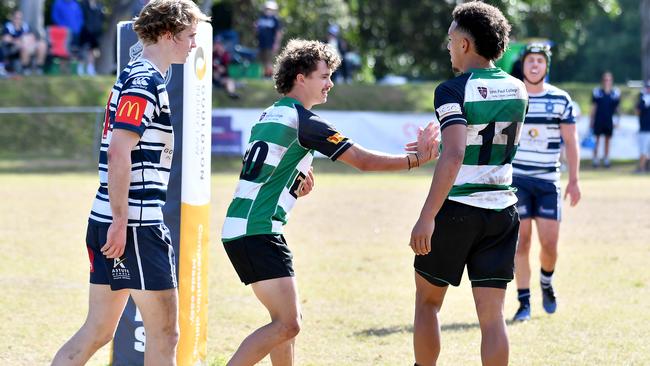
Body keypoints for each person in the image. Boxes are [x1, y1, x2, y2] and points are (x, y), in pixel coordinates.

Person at [221, 39, 439, 366]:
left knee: (284, 323)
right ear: (300, 77)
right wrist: (415, 160)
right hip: (257, 231)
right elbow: (362, 160)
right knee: (288, 323)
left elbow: (267, 170)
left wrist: (294, 185)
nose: (330, 83)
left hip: (246, 227)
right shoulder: (304, 121)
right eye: (324, 76)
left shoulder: (271, 112)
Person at [50, 1, 209, 365]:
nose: (193, 45)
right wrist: (121, 221)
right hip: (133, 225)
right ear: (168, 35)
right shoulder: (144, 80)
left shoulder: (139, 76)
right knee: (165, 333)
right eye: (190, 36)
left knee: (99, 331)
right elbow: (119, 152)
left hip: (117, 219)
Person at [408, 2, 527, 365]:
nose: (447, 47)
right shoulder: (519, 89)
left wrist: (427, 216)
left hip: (458, 208)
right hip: (503, 211)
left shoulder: (452, 89)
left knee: (427, 304)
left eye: (450, 39)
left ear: (464, 44)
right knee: (492, 320)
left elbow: (456, 153)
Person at [510, 43, 581, 322]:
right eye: (530, 61)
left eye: (540, 61)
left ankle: (547, 282)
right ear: (524, 65)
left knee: (550, 245)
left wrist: (574, 180)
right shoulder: (513, 96)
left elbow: (571, 141)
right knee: (521, 243)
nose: (535, 65)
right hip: (518, 181)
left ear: (546, 67)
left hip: (548, 182)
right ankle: (523, 303)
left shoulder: (561, 99)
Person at [1, 10, 47, 74]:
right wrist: (20, 40)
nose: (18, 20)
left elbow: (32, 37)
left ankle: (39, 68)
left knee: (42, 45)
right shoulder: (8, 26)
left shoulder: (25, 26)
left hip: (28, 45)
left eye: (20, 18)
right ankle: (25, 68)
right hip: (13, 48)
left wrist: (26, 40)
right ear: (12, 18)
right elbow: (6, 39)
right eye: (16, 18)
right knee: (24, 45)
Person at [590, 71, 620, 168]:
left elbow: (617, 109)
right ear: (602, 81)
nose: (607, 81)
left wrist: (617, 121)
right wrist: (591, 120)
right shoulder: (597, 92)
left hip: (609, 120)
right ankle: (595, 159)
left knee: (608, 140)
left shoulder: (614, 93)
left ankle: (606, 159)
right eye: (605, 80)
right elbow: (593, 107)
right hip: (599, 120)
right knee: (597, 140)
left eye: (609, 80)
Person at [255, 0, 282, 78]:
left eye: (270, 9)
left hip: (270, 43)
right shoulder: (261, 18)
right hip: (261, 43)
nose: (268, 10)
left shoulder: (275, 19)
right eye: (267, 8)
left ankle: (270, 75)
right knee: (262, 60)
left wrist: (276, 43)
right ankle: (264, 75)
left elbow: (278, 32)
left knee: (269, 60)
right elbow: (258, 30)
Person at [79, 0, 105, 75]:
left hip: (96, 32)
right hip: (85, 31)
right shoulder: (83, 4)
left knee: (92, 51)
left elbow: (101, 18)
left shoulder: (99, 5)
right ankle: (81, 68)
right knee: (83, 50)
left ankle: (90, 68)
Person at [636, 80, 650, 173]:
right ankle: (643, 168)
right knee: (644, 150)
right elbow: (637, 111)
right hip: (644, 128)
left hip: (646, 129)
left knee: (644, 150)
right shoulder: (643, 98)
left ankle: (642, 168)